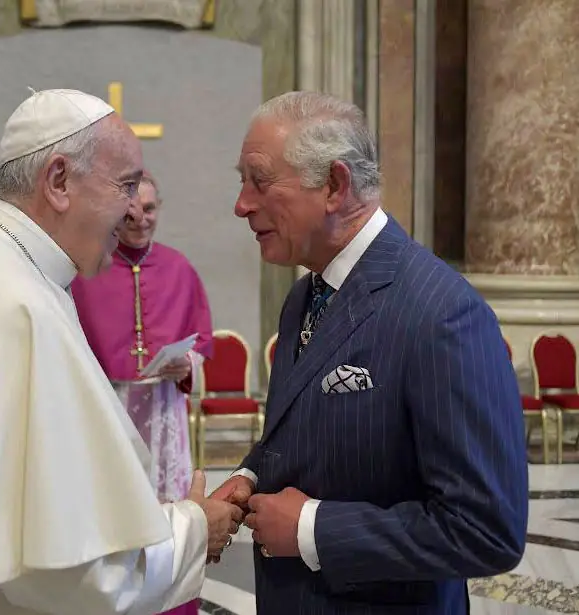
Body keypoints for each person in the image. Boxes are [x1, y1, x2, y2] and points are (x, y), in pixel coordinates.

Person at [0, 89, 243, 615]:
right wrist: (196, 530)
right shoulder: (15, 303)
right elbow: (76, 578)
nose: (133, 210)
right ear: (59, 181)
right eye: (125, 186)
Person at [212, 91, 528, 614]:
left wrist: (313, 529)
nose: (241, 203)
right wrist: (251, 476)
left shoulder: (441, 313)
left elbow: (486, 529)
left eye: (259, 181)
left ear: (334, 185)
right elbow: (311, 428)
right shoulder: (304, 296)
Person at [72, 173, 214, 615]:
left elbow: (202, 341)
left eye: (149, 210)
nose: (140, 220)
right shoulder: (88, 268)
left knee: (170, 517)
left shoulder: (179, 267)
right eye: (130, 212)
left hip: (164, 416)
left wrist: (185, 364)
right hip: (109, 413)